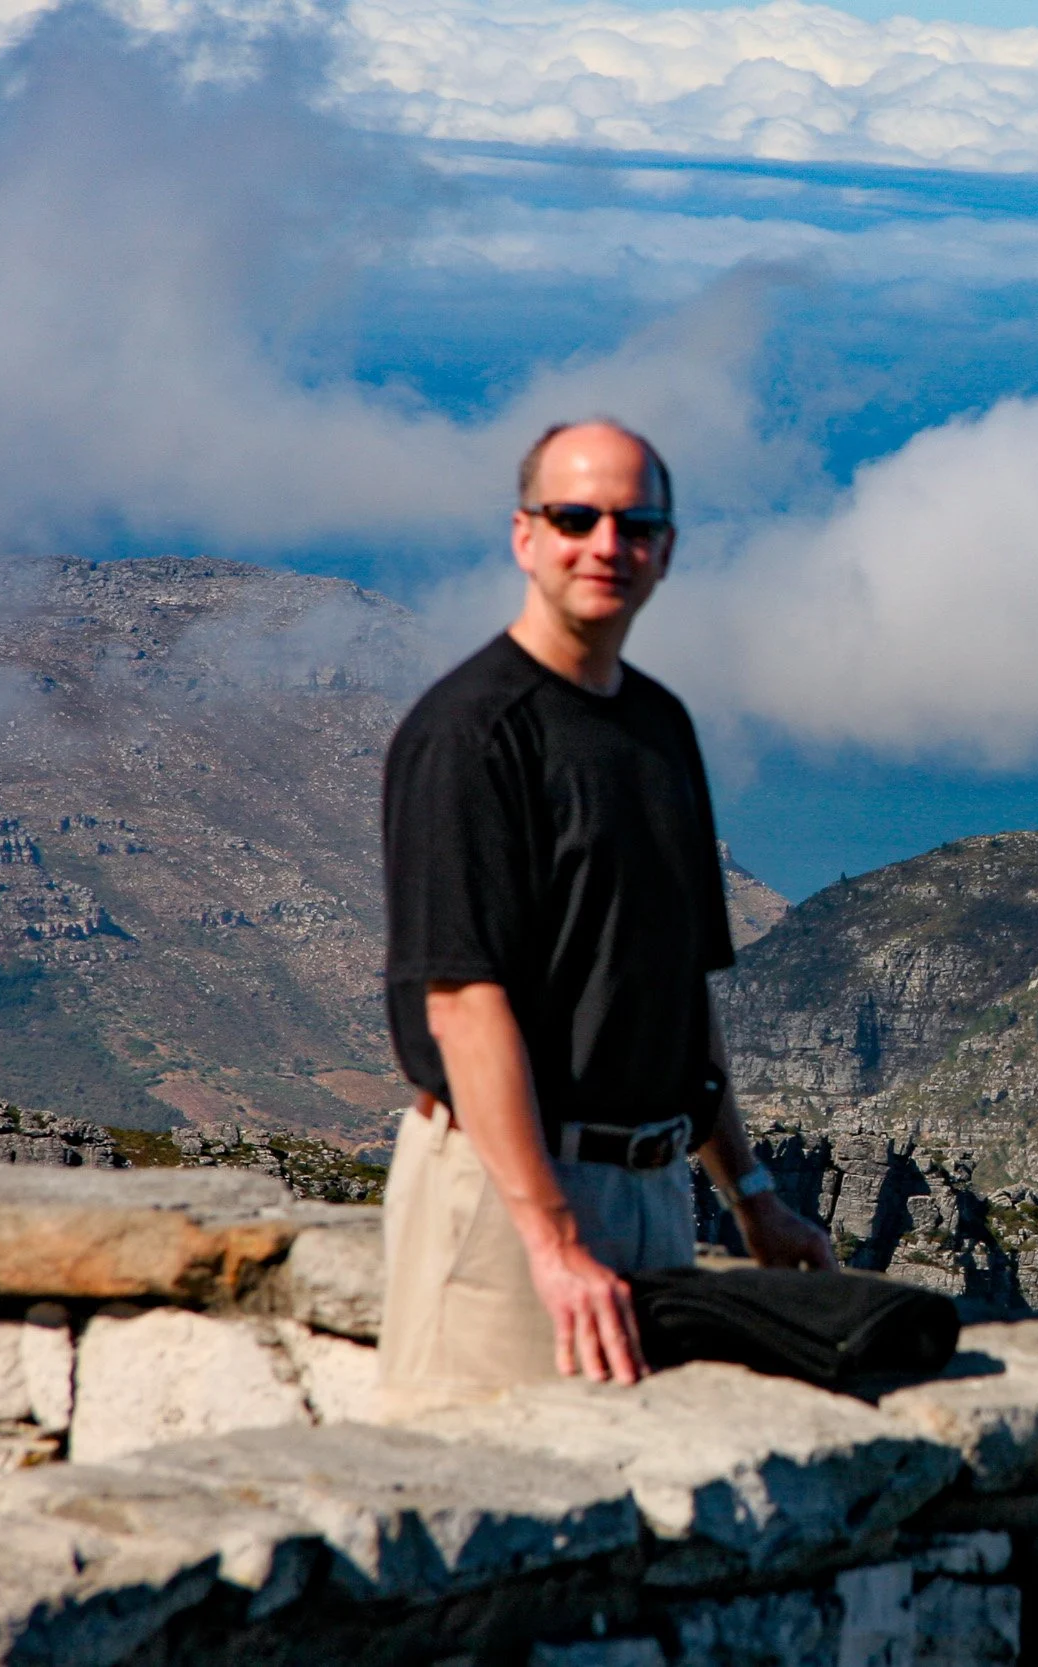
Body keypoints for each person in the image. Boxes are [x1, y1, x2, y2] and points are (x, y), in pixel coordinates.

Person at [376, 419, 835, 1417]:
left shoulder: (658, 726)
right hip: (508, 1198)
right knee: (479, 1478)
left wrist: (751, 1195)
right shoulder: (472, 733)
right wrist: (550, 1238)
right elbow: (463, 1005)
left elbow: (676, 989)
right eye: (576, 517)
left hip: (656, 1193)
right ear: (525, 535)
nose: (606, 544)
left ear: (665, 549)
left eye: (636, 524)